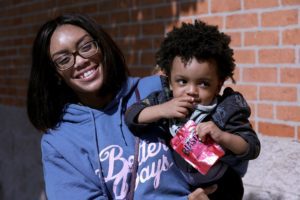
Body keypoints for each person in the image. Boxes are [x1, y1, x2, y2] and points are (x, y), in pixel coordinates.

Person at [27, 13, 217, 200]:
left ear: (101, 46)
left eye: (86, 46)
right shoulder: (60, 142)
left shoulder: (157, 90)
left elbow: (222, 139)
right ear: (55, 74)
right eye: (63, 59)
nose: (80, 61)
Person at [125, 20, 261, 200]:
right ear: (169, 80)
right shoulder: (164, 100)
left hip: (221, 185)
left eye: (203, 84)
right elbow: (132, 115)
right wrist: (162, 110)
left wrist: (221, 136)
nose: (191, 91)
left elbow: (251, 146)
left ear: (219, 84)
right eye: (182, 81)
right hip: (178, 185)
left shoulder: (227, 108)